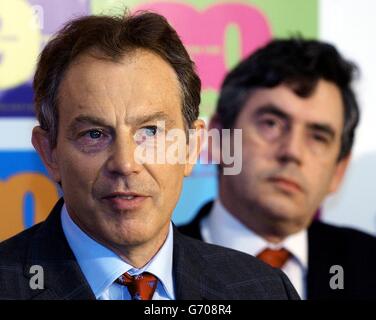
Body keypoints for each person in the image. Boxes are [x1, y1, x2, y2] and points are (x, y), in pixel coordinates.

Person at [0, 12, 298, 300]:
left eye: (151, 132)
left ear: (192, 147)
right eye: (94, 134)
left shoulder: (264, 289)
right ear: (49, 152)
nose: (125, 164)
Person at [179, 39, 376, 299]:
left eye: (318, 137)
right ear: (218, 138)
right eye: (271, 124)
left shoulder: (369, 267)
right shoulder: (150, 268)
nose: (292, 151)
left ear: (338, 171)